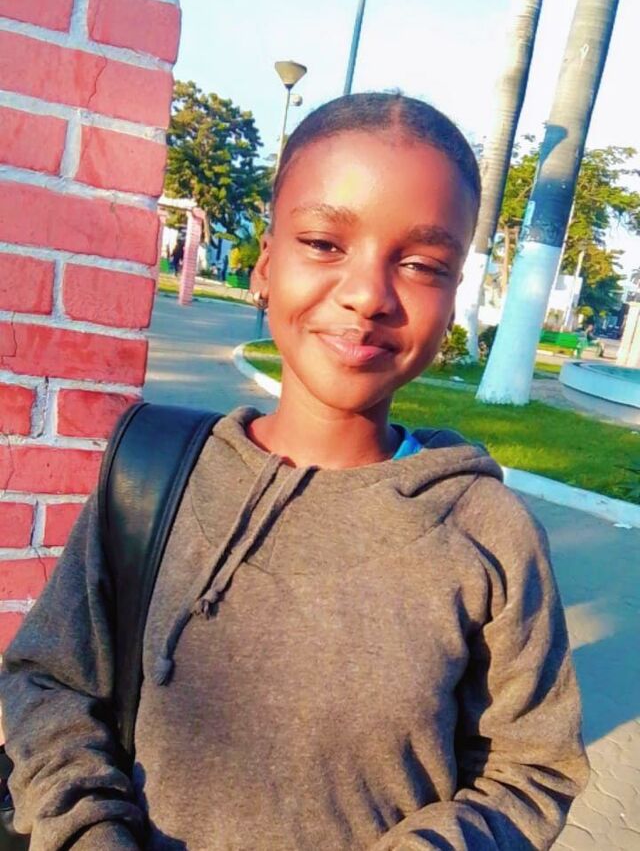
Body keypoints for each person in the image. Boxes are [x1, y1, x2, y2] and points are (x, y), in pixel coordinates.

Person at [0, 93, 589, 850]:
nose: (368, 295)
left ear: (452, 304)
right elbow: (47, 680)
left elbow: (531, 769)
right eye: (323, 243)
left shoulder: (488, 532)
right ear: (265, 265)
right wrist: (89, 833)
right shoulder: (153, 475)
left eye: (421, 264)